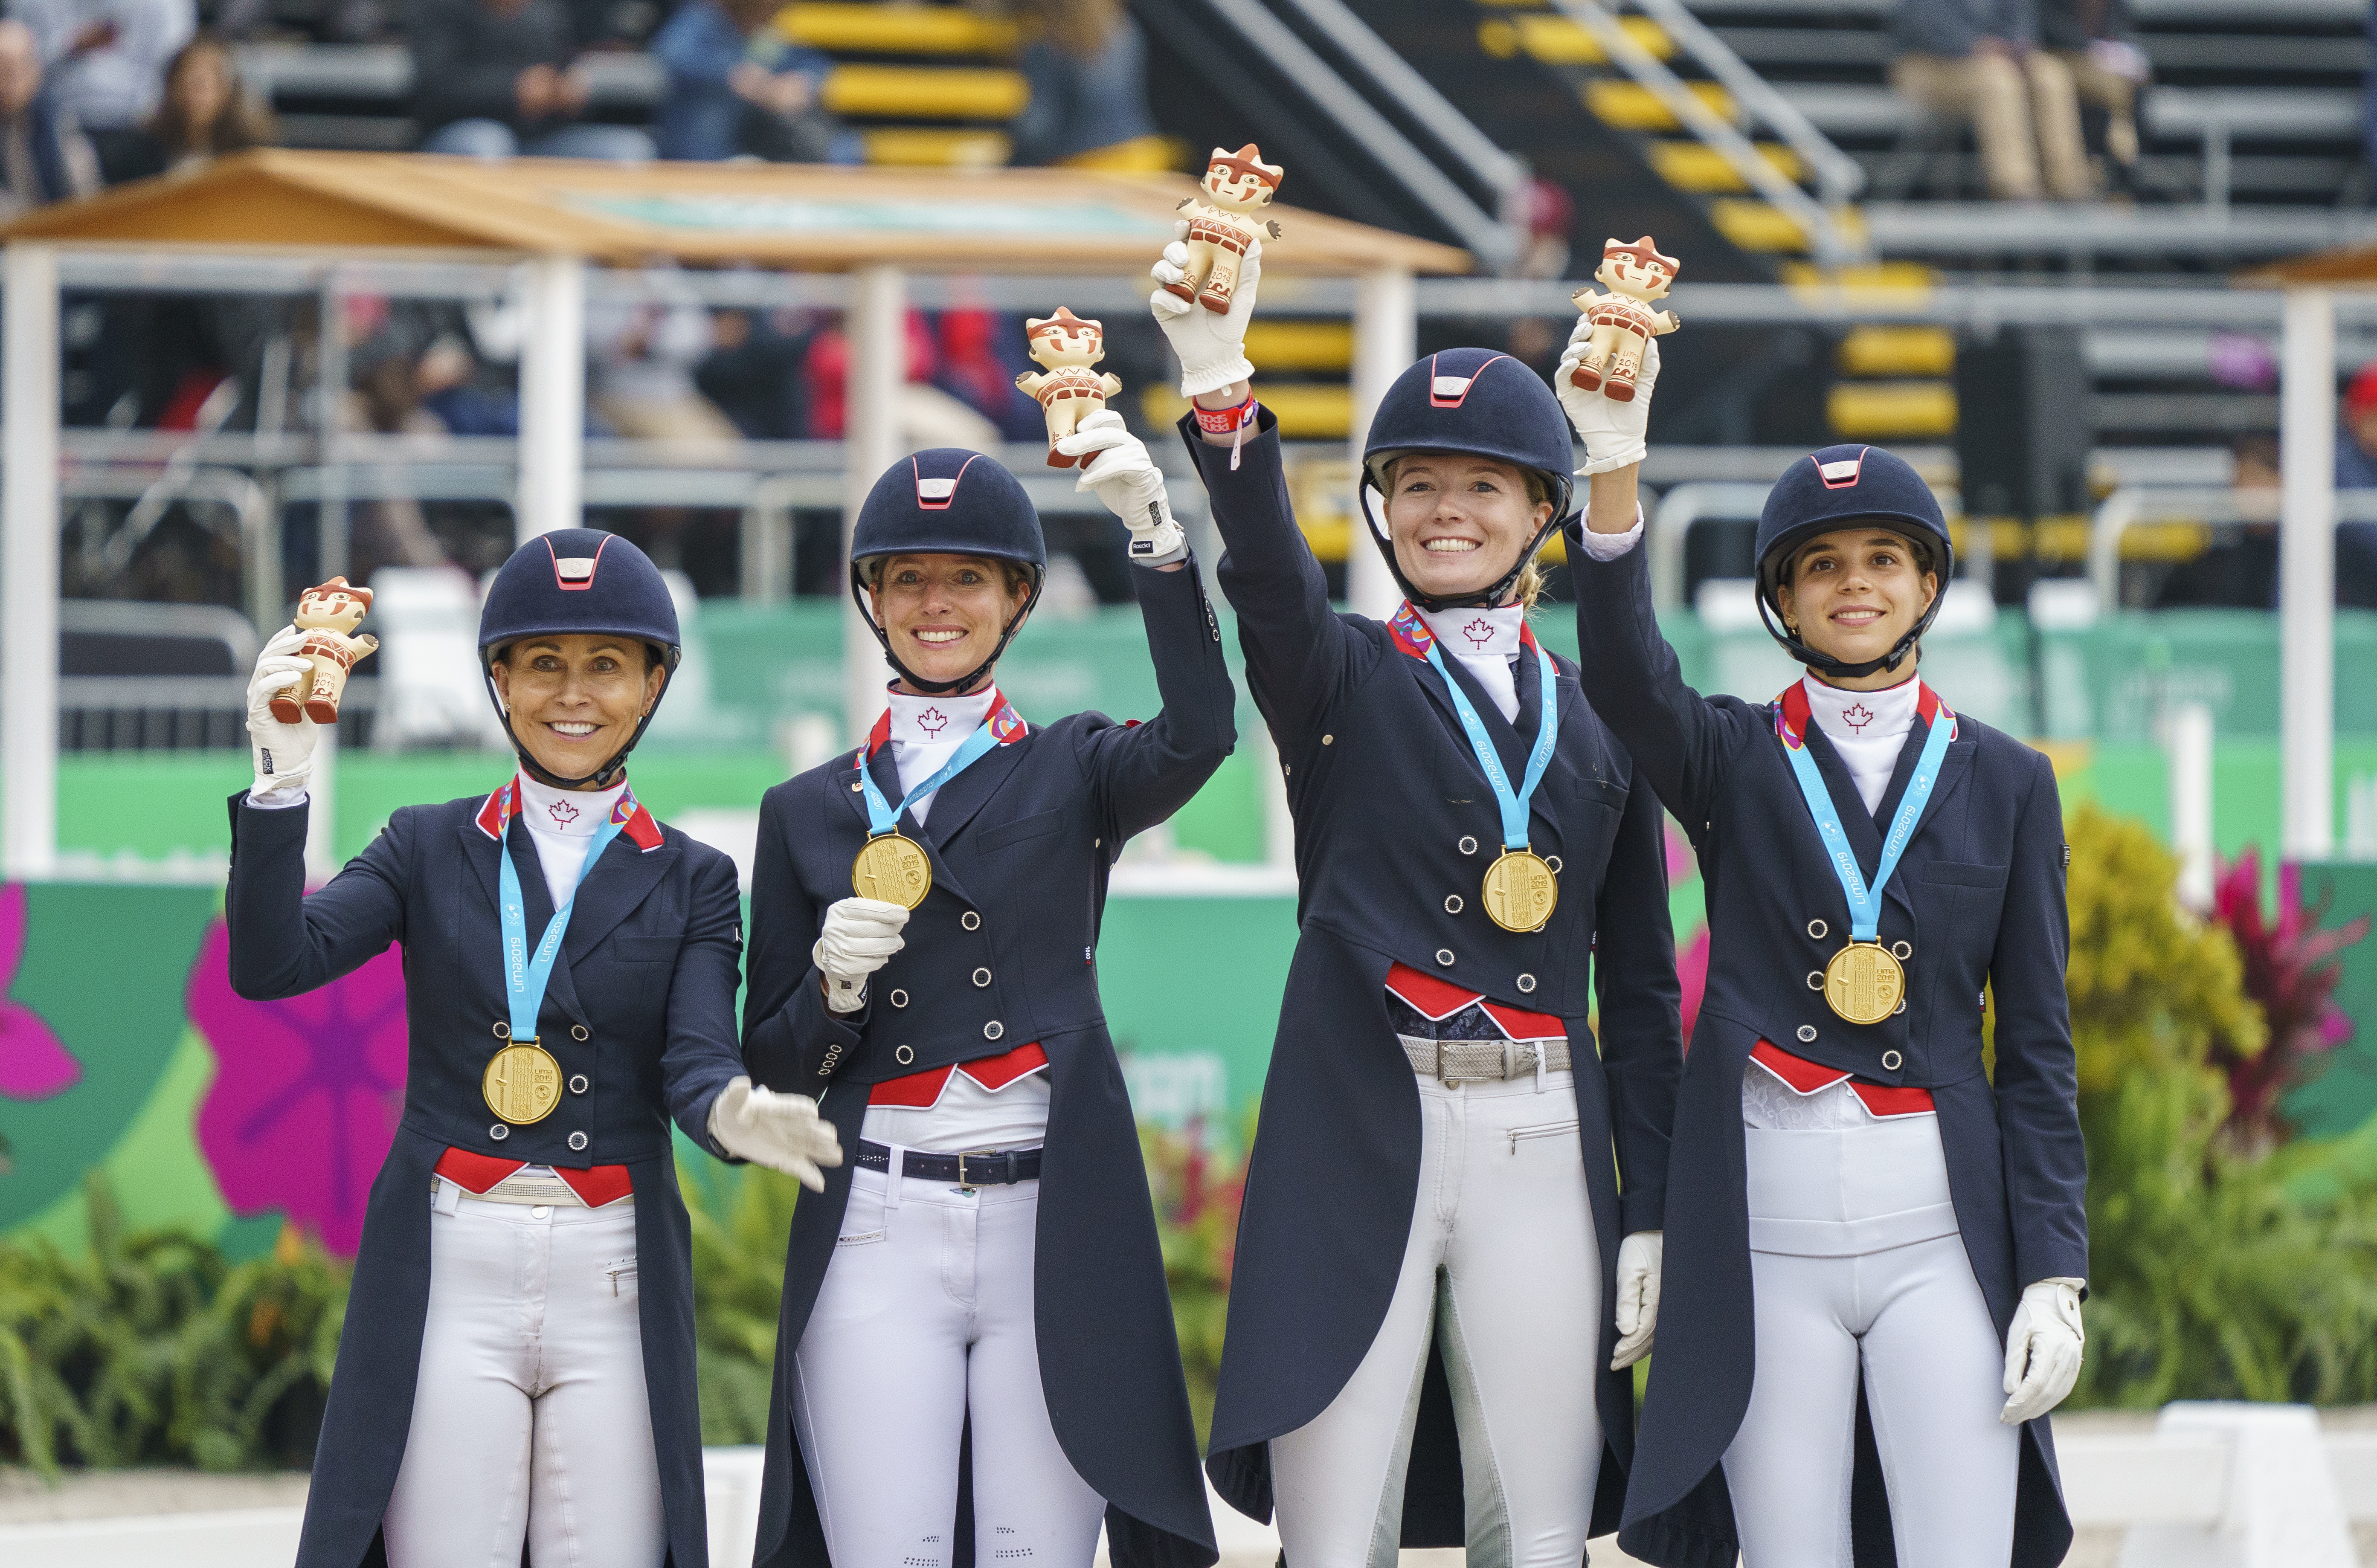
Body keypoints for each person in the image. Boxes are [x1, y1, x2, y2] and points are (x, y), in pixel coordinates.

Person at [1155, 234, 1683, 1557]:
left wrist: (1657, 1203)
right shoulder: (1335, 677)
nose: (1448, 509)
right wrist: (1223, 383)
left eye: (1483, 487)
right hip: (1361, 1127)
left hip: (1541, 1137)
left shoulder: (1604, 717)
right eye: (1419, 484)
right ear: (1384, 507)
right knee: (1338, 1539)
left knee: (1540, 1530)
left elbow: (1639, 987)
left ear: (1541, 511)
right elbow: (1270, 579)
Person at [1560, 330, 2089, 1567]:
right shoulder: (1735, 754)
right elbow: (1627, 680)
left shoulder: (2008, 781)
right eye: (1820, 565)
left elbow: (2038, 1050)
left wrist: (2056, 1268)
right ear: (1781, 598)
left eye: (1881, 560)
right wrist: (1614, 471)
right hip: (1764, 1236)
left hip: (1936, 1237)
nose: (1853, 583)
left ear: (1923, 586)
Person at [228, 530, 843, 1568]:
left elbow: (694, 1056)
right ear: (499, 680)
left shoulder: (693, 877)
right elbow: (274, 962)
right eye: (543, 662)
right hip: (451, 1265)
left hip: (610, 1273)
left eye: (606, 664)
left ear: (652, 686)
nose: (574, 693)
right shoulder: (424, 844)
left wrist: (731, 1110)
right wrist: (279, 784)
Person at [739, 430, 1232, 1567]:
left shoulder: (1073, 763)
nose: (933, 601)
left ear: (1016, 596)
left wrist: (1159, 543)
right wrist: (832, 988)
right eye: (905, 576)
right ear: (870, 596)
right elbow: (769, 1065)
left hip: (1046, 1223)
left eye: (965, 576)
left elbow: (1205, 730)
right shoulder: (804, 808)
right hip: (877, 1215)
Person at [1888, 0, 2090, 201]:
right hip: (1929, 62)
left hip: (1996, 60)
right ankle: (2016, 186)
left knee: (2052, 76)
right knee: (1998, 80)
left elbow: (2024, 23)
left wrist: (2017, 48)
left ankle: (2069, 183)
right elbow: (1923, 24)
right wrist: (1975, 47)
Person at [410, 0, 653, 161]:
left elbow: (566, 70)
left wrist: (572, 91)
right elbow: (434, 87)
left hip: (541, 140)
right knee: (488, 142)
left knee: (628, 150)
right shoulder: (440, 8)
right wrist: (513, 90)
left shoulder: (548, 11)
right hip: (461, 134)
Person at [651, 0, 845, 164]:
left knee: (840, 143)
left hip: (761, 141)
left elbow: (813, 66)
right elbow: (669, 56)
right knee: (713, 107)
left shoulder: (770, 34)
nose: (772, 10)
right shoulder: (702, 19)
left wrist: (800, 83)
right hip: (699, 145)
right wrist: (733, 75)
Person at [1008, 0, 1162, 170]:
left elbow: (1035, 130)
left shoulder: (1047, 47)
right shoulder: (1127, 30)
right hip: (1141, 155)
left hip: (1078, 165)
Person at [103, 32, 272, 182]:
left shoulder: (252, 151)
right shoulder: (141, 152)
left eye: (209, 80)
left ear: (230, 90)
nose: (197, 90)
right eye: (188, 77)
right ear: (172, 86)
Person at [9, 0, 192, 132]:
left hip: (145, 126)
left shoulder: (166, 5)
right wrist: (70, 47)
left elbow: (181, 68)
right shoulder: (30, 5)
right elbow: (13, 69)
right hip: (54, 128)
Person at [0, 17, 98, 217]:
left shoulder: (59, 120)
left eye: (23, 64)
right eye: (4, 68)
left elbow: (86, 191)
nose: (14, 77)